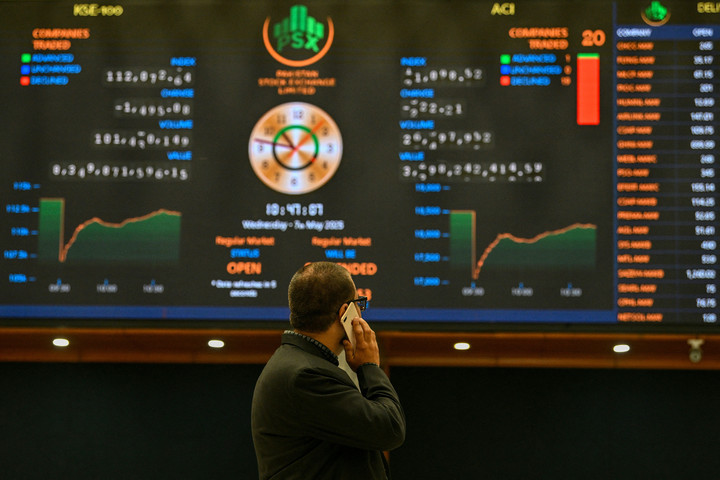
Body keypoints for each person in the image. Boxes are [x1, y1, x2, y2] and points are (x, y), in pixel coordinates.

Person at [251, 261, 406, 479]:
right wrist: (370, 367)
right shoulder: (306, 376)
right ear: (345, 312)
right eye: (358, 305)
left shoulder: (297, 364)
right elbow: (390, 429)